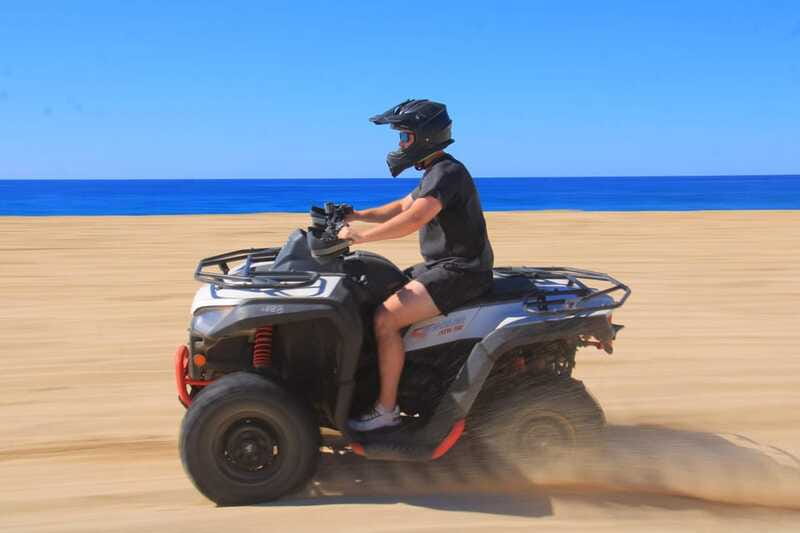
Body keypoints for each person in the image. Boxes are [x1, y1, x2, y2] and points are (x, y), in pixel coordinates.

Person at [338, 99, 494, 432]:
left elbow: (415, 218)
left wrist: (361, 237)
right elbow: (400, 206)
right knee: (375, 292)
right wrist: (355, 215)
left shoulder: (448, 173)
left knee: (384, 319)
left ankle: (386, 409)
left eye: (404, 137)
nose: (400, 145)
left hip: (461, 272)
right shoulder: (435, 172)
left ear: (425, 137)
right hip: (443, 266)